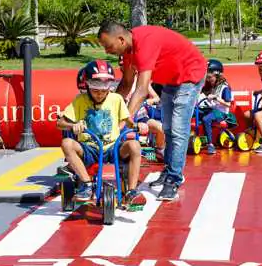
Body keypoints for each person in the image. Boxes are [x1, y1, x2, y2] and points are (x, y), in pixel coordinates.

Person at [98, 21, 206, 201]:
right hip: (171, 80)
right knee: (168, 129)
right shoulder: (128, 52)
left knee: (178, 130)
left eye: (108, 46)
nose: (107, 51)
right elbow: (126, 84)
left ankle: (173, 179)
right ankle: (169, 170)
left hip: (190, 75)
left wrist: (123, 121)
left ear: (121, 39)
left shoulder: (145, 44)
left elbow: (141, 89)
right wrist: (107, 110)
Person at [57, 60, 146, 208]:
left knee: (135, 145)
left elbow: (127, 120)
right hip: (89, 148)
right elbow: (60, 123)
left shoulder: (116, 99)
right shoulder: (80, 100)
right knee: (66, 143)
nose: (100, 94)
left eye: (104, 90)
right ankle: (86, 185)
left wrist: (137, 125)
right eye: (96, 90)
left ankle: (131, 191)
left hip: (113, 147)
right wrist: (73, 125)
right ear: (87, 86)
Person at [197, 59, 234, 155]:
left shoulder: (224, 87)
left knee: (206, 119)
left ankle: (210, 144)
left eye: (210, 76)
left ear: (217, 74)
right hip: (212, 109)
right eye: (207, 76)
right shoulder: (211, 85)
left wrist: (216, 97)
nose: (208, 78)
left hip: (221, 112)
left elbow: (228, 104)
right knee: (194, 112)